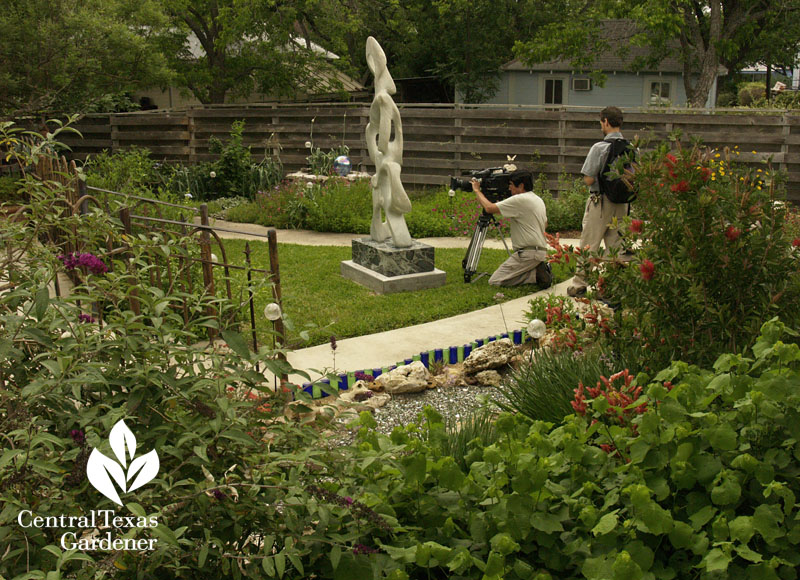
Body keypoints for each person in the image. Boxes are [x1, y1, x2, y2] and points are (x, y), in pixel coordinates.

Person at [567, 106, 631, 297]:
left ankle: (580, 285)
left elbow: (588, 178)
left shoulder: (599, 147)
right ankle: (617, 286)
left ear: (605, 121)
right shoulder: (631, 148)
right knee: (617, 244)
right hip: (623, 203)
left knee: (590, 243)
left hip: (600, 201)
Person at [471, 169, 552, 287]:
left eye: (511, 185)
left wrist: (477, 190)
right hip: (539, 251)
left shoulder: (520, 199)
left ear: (521, 186)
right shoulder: (537, 199)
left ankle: (535, 276)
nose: (509, 189)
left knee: (495, 281)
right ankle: (539, 270)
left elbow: (489, 208)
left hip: (527, 253)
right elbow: (545, 224)